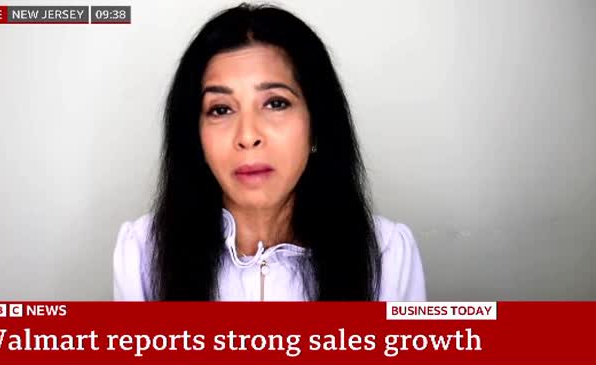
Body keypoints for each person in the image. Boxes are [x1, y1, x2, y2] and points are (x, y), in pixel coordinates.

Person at [113, 3, 426, 301]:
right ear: (196, 136)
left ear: (316, 124)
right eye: (220, 109)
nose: (248, 136)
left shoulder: (386, 253)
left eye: (276, 103)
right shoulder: (143, 253)